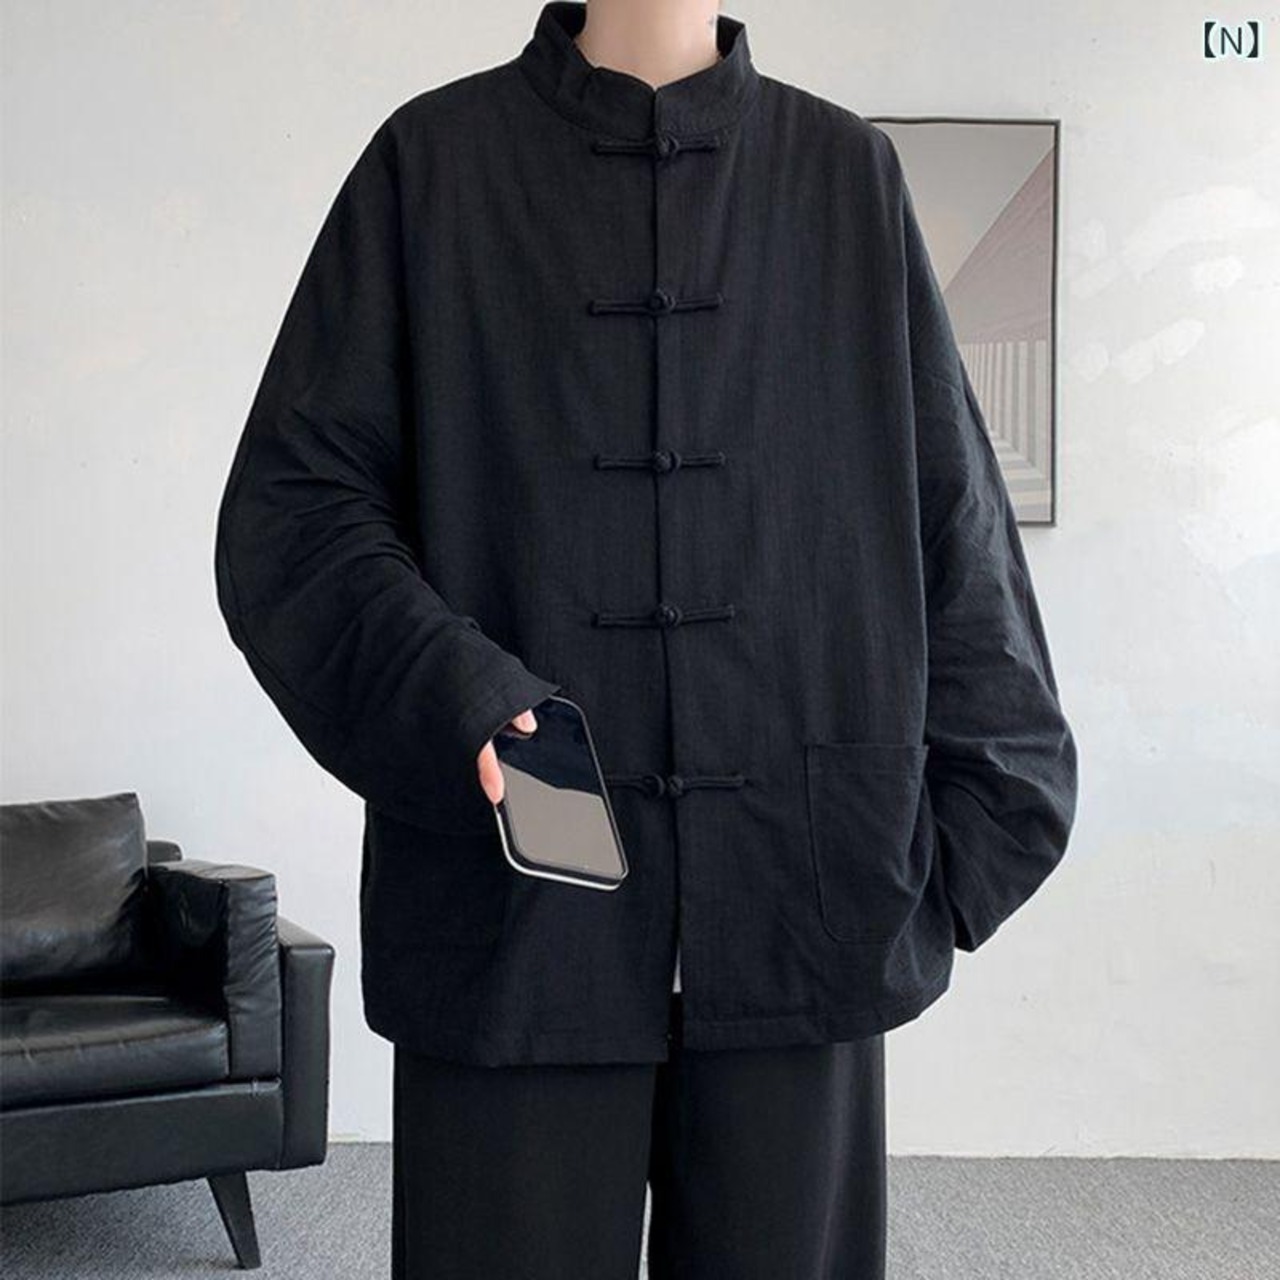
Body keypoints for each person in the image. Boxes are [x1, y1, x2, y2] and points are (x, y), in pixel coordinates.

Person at [214, 2, 1079, 1276]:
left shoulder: (845, 176)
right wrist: (457, 695)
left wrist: (967, 835)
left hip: (803, 895)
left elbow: (949, 521)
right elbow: (292, 514)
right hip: (511, 906)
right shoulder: (431, 165)